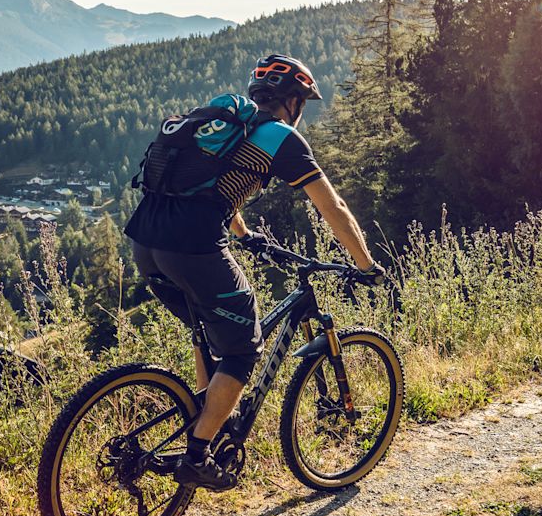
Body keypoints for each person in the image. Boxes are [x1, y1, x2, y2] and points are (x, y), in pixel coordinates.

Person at [126, 53, 381, 489]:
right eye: (302, 102)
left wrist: (244, 235)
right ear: (294, 101)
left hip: (145, 241)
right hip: (192, 246)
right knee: (245, 350)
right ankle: (198, 455)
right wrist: (366, 264)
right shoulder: (281, 137)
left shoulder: (229, 130)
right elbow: (331, 207)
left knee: (206, 330)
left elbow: (217, 187)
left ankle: (203, 421)